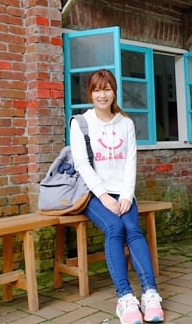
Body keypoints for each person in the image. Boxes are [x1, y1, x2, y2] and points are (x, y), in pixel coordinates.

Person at [70, 69, 164, 324]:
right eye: (97, 90)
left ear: (114, 91)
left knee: (132, 228)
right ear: (90, 93)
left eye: (107, 89)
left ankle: (150, 293)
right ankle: (124, 298)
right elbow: (82, 165)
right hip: (93, 194)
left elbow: (130, 160)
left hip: (122, 192)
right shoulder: (81, 123)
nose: (102, 95)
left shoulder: (126, 123)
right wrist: (103, 196)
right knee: (114, 228)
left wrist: (126, 195)